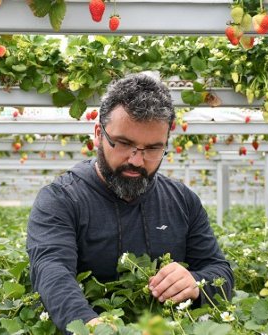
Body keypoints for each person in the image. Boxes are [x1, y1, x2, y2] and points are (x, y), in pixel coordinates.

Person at [26, 73, 233, 332]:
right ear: (99, 133)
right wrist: (92, 326)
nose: (136, 160)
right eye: (124, 144)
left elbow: (221, 272)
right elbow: (51, 271)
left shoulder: (182, 201)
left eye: (153, 149)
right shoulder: (61, 199)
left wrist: (195, 281)